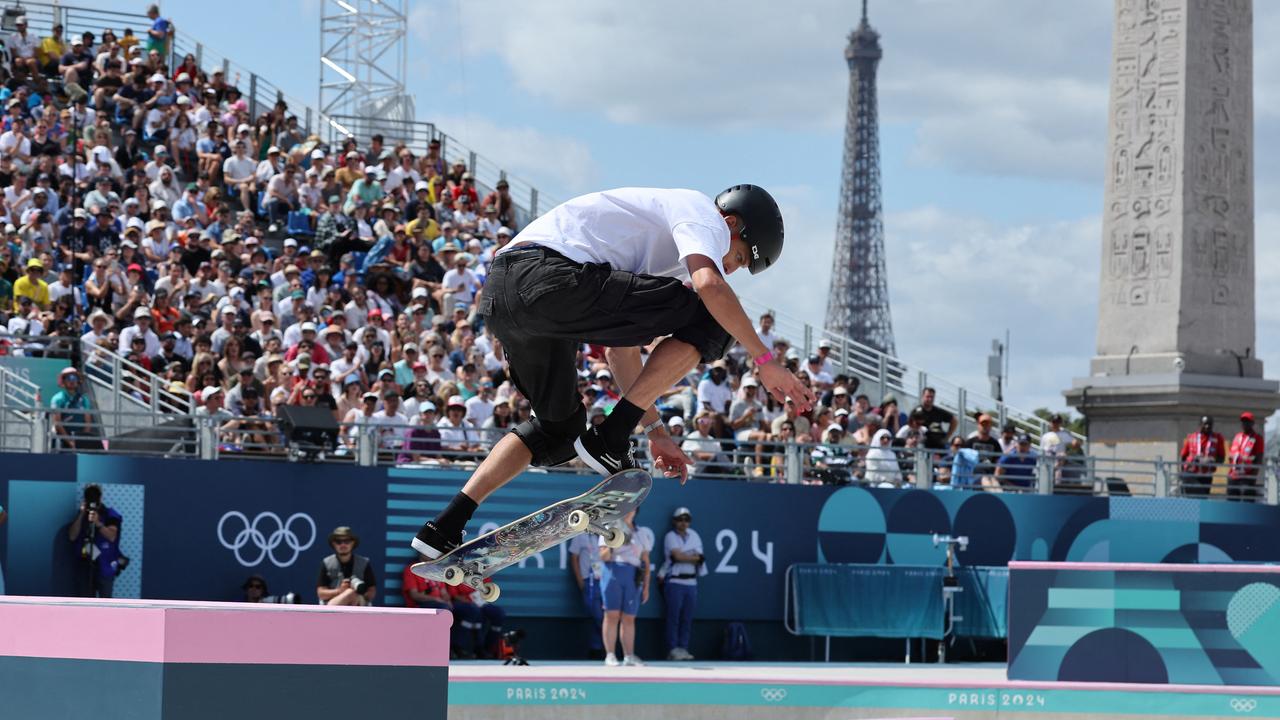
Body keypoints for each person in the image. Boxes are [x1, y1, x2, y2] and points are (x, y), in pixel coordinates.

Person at [413, 186, 813, 559]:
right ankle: (609, 437)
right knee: (715, 316)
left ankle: (445, 525)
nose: (731, 267)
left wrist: (656, 431)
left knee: (558, 430)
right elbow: (710, 285)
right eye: (740, 257)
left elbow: (620, 354)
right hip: (548, 276)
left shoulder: (655, 259)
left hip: (505, 295)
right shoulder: (699, 214)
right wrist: (765, 362)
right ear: (730, 225)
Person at [600, 510, 652, 667]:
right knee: (612, 615)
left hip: (633, 576)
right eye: (626, 508)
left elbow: (646, 562)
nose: (628, 511)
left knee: (629, 617)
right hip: (612, 572)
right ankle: (610, 655)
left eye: (632, 508)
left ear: (636, 511)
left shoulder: (641, 533)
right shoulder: (609, 528)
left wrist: (646, 586)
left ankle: (629, 656)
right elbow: (603, 556)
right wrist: (613, 543)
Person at [660, 507, 705, 661]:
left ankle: (683, 648)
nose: (683, 522)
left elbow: (700, 557)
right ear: (674, 521)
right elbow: (677, 556)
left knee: (687, 618)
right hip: (675, 581)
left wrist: (688, 556)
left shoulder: (695, 536)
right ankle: (673, 649)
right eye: (680, 519)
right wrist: (691, 556)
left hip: (692, 582)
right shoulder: (670, 537)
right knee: (673, 618)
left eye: (686, 519)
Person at [67, 484, 123, 598]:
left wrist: (97, 523)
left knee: (106, 602)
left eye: (95, 495)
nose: (92, 498)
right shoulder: (82, 515)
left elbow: (112, 536)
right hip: (85, 565)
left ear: (101, 497)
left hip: (105, 565)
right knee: (85, 603)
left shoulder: (110, 514)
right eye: (89, 495)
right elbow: (72, 536)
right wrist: (82, 514)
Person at [315, 526, 377, 606]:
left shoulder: (364, 563)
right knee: (350, 593)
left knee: (352, 594)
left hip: (359, 603)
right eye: (338, 541)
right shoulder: (327, 563)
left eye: (347, 541)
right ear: (333, 543)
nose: (343, 544)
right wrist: (340, 591)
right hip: (333, 604)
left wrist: (358, 590)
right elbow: (321, 593)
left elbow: (372, 591)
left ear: (353, 542)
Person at [568, 530, 606, 659]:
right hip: (588, 581)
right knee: (595, 615)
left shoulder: (605, 534)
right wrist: (580, 580)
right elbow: (574, 557)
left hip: (605, 580)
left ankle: (599, 648)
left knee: (605, 615)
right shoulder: (580, 535)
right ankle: (598, 647)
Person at [50, 367, 97, 450]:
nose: (72, 380)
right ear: (63, 381)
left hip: (80, 440)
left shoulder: (84, 399)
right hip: (61, 441)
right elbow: (57, 423)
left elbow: (88, 422)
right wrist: (70, 442)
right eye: (68, 378)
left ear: (78, 380)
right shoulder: (57, 399)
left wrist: (81, 441)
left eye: (74, 378)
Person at [1179, 416, 1225, 498]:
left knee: (1203, 499)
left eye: (1210, 424)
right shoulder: (1191, 437)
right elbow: (1183, 456)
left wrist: (1211, 460)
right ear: (1200, 425)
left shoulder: (1217, 438)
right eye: (1205, 424)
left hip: (1206, 475)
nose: (1207, 426)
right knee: (1196, 497)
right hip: (1191, 473)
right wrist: (1182, 473)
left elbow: (1222, 458)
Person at [1227, 411, 1264, 501]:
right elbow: (1230, 455)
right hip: (1234, 476)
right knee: (1231, 502)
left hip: (1247, 477)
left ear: (1252, 423)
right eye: (1243, 421)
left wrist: (1252, 476)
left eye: (1247, 421)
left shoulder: (1257, 438)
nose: (1245, 424)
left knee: (1247, 501)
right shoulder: (1237, 436)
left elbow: (1259, 458)